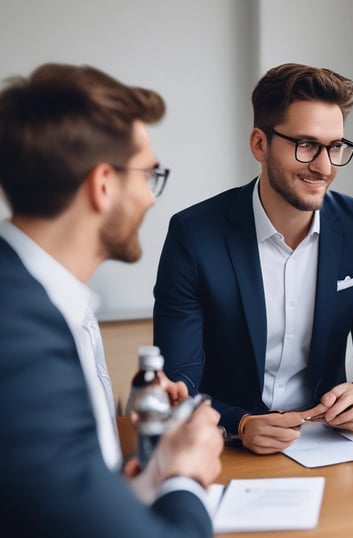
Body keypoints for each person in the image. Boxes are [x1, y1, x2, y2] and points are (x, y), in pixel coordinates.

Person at [0, 64, 224, 537]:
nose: (150, 197)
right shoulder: (19, 336)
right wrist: (185, 476)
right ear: (103, 184)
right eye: (148, 175)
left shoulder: (48, 302)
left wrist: (143, 476)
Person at [153, 63, 353, 455]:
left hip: (328, 444)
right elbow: (175, 382)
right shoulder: (194, 235)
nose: (324, 167)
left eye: (335, 147)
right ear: (259, 144)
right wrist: (238, 424)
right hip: (225, 448)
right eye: (306, 145)